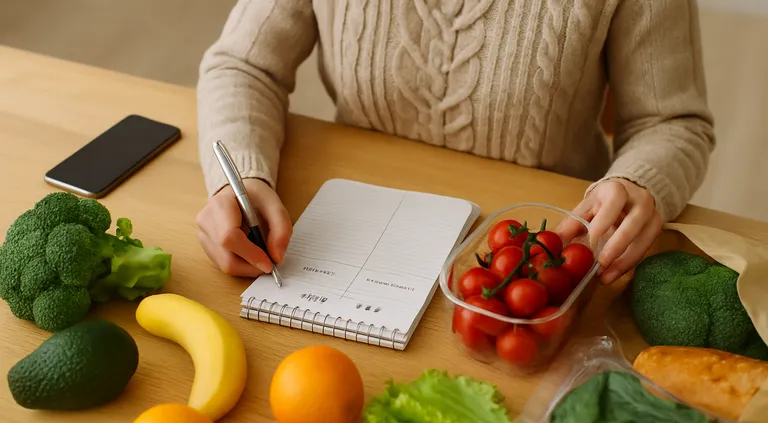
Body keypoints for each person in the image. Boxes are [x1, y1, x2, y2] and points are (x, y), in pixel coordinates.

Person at [194, 0, 715, 286]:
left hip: (541, 258)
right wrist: (241, 178)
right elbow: (244, 64)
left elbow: (672, 122)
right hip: (347, 237)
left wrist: (637, 181)